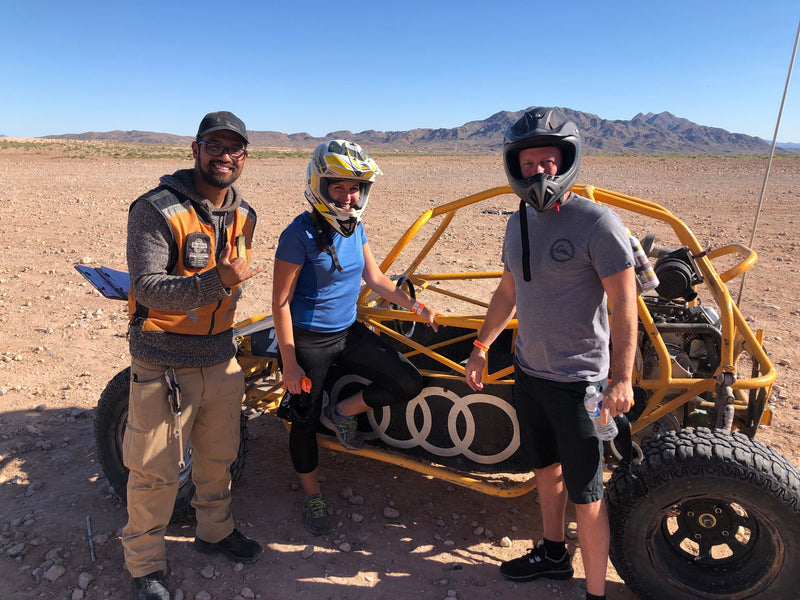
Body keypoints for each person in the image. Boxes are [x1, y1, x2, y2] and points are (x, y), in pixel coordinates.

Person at [464, 107, 637, 600]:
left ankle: (596, 593)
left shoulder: (597, 223)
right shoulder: (518, 220)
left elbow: (626, 305)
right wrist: (481, 347)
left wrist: (620, 378)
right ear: (514, 167)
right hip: (531, 372)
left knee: (588, 494)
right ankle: (554, 555)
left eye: (549, 161)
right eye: (529, 163)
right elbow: (507, 291)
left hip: (580, 382)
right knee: (545, 471)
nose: (539, 172)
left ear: (568, 162)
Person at [123, 111, 264, 600]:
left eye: (234, 149)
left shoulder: (245, 214)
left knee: (218, 457)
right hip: (162, 360)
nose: (224, 156)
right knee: (155, 468)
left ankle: (216, 532)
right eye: (214, 146)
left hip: (219, 358)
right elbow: (147, 288)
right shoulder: (156, 210)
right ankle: (144, 565)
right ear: (195, 149)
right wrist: (217, 281)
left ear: (245, 157)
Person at [272, 139, 441, 535]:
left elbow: (377, 279)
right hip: (308, 340)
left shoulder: (355, 227)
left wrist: (418, 307)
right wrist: (291, 363)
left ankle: (345, 410)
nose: (348, 197)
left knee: (406, 380)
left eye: (355, 188)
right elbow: (280, 303)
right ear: (320, 185)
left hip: (347, 331)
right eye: (339, 187)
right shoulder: (297, 235)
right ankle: (312, 495)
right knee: (303, 420)